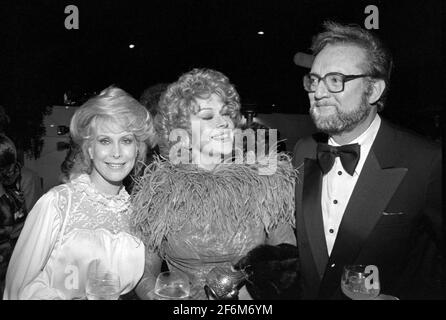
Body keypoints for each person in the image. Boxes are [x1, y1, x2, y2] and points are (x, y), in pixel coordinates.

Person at [292, 21, 443, 299]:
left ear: (373, 91)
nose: (318, 92)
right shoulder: (303, 151)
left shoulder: (426, 162)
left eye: (335, 80)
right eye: (314, 80)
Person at [131, 68, 297, 300]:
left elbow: (287, 258)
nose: (224, 123)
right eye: (208, 116)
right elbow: (144, 269)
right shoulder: (159, 191)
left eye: (226, 113)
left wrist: (249, 295)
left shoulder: (265, 182)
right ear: (184, 134)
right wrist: (155, 295)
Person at [3, 86, 155, 299]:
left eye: (126, 140)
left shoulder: (138, 214)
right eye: (105, 141)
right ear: (90, 149)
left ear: (138, 149)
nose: (117, 152)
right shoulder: (58, 204)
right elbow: (18, 289)